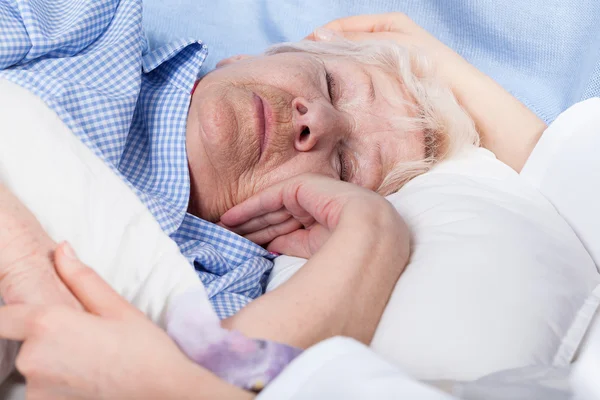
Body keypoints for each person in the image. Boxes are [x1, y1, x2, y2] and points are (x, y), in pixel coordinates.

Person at [0, 9, 550, 400]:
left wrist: (375, 234)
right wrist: (24, 263)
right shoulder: (86, 27)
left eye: (346, 166)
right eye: (333, 84)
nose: (318, 121)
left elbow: (195, 387)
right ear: (255, 57)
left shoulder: (226, 289)